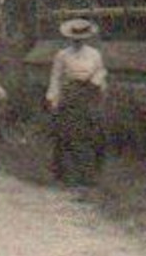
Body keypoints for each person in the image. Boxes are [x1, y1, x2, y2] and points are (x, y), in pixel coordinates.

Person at [46, 18, 108, 185]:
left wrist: (98, 88)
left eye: (82, 38)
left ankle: (87, 175)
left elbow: (101, 72)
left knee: (90, 134)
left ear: (87, 37)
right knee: (67, 134)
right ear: (70, 37)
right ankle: (66, 174)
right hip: (70, 95)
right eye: (75, 38)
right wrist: (53, 99)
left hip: (90, 94)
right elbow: (56, 77)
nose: (78, 41)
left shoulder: (94, 54)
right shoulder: (62, 55)